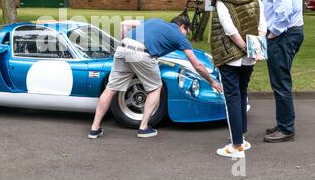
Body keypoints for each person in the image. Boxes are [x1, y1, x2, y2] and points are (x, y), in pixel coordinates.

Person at [88, 16, 223, 139]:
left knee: (111, 88)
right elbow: (197, 64)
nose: (186, 36)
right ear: (182, 27)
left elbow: (124, 23)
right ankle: (144, 127)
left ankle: (94, 129)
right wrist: (212, 82)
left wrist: (126, 42)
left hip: (123, 48)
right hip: (142, 53)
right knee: (156, 87)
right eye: (187, 32)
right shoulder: (179, 36)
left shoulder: (155, 21)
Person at [210, 0, 267, 158]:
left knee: (232, 97)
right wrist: (254, 50)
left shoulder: (221, 0)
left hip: (230, 56)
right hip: (250, 56)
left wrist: (243, 48)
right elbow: (262, 25)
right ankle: (241, 138)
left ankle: (236, 146)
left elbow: (229, 31)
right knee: (242, 93)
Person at [250, 0, 304, 143]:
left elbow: (284, 12)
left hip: (283, 35)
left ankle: (286, 128)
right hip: (289, 34)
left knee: (280, 83)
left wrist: (272, 34)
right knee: (280, 81)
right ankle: (283, 123)